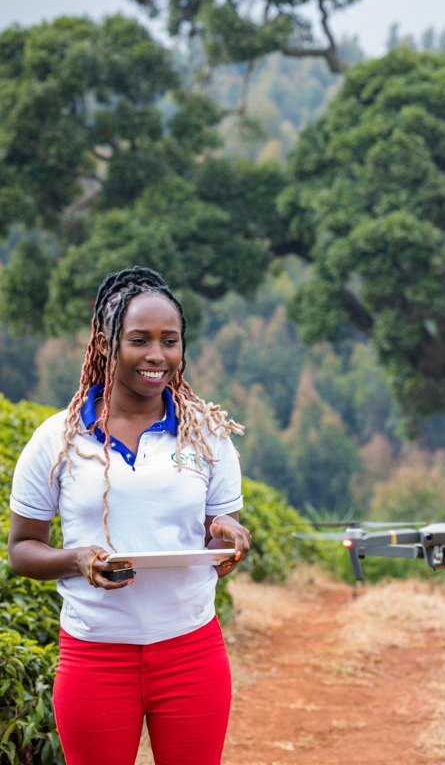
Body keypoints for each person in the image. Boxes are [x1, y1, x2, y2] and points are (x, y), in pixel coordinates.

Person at [7, 266, 252, 765]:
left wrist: (229, 535)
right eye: (140, 340)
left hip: (191, 652)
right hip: (95, 656)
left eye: (171, 340)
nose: (157, 356)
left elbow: (221, 526)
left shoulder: (208, 435)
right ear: (106, 344)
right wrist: (76, 559)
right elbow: (20, 551)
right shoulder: (57, 439)